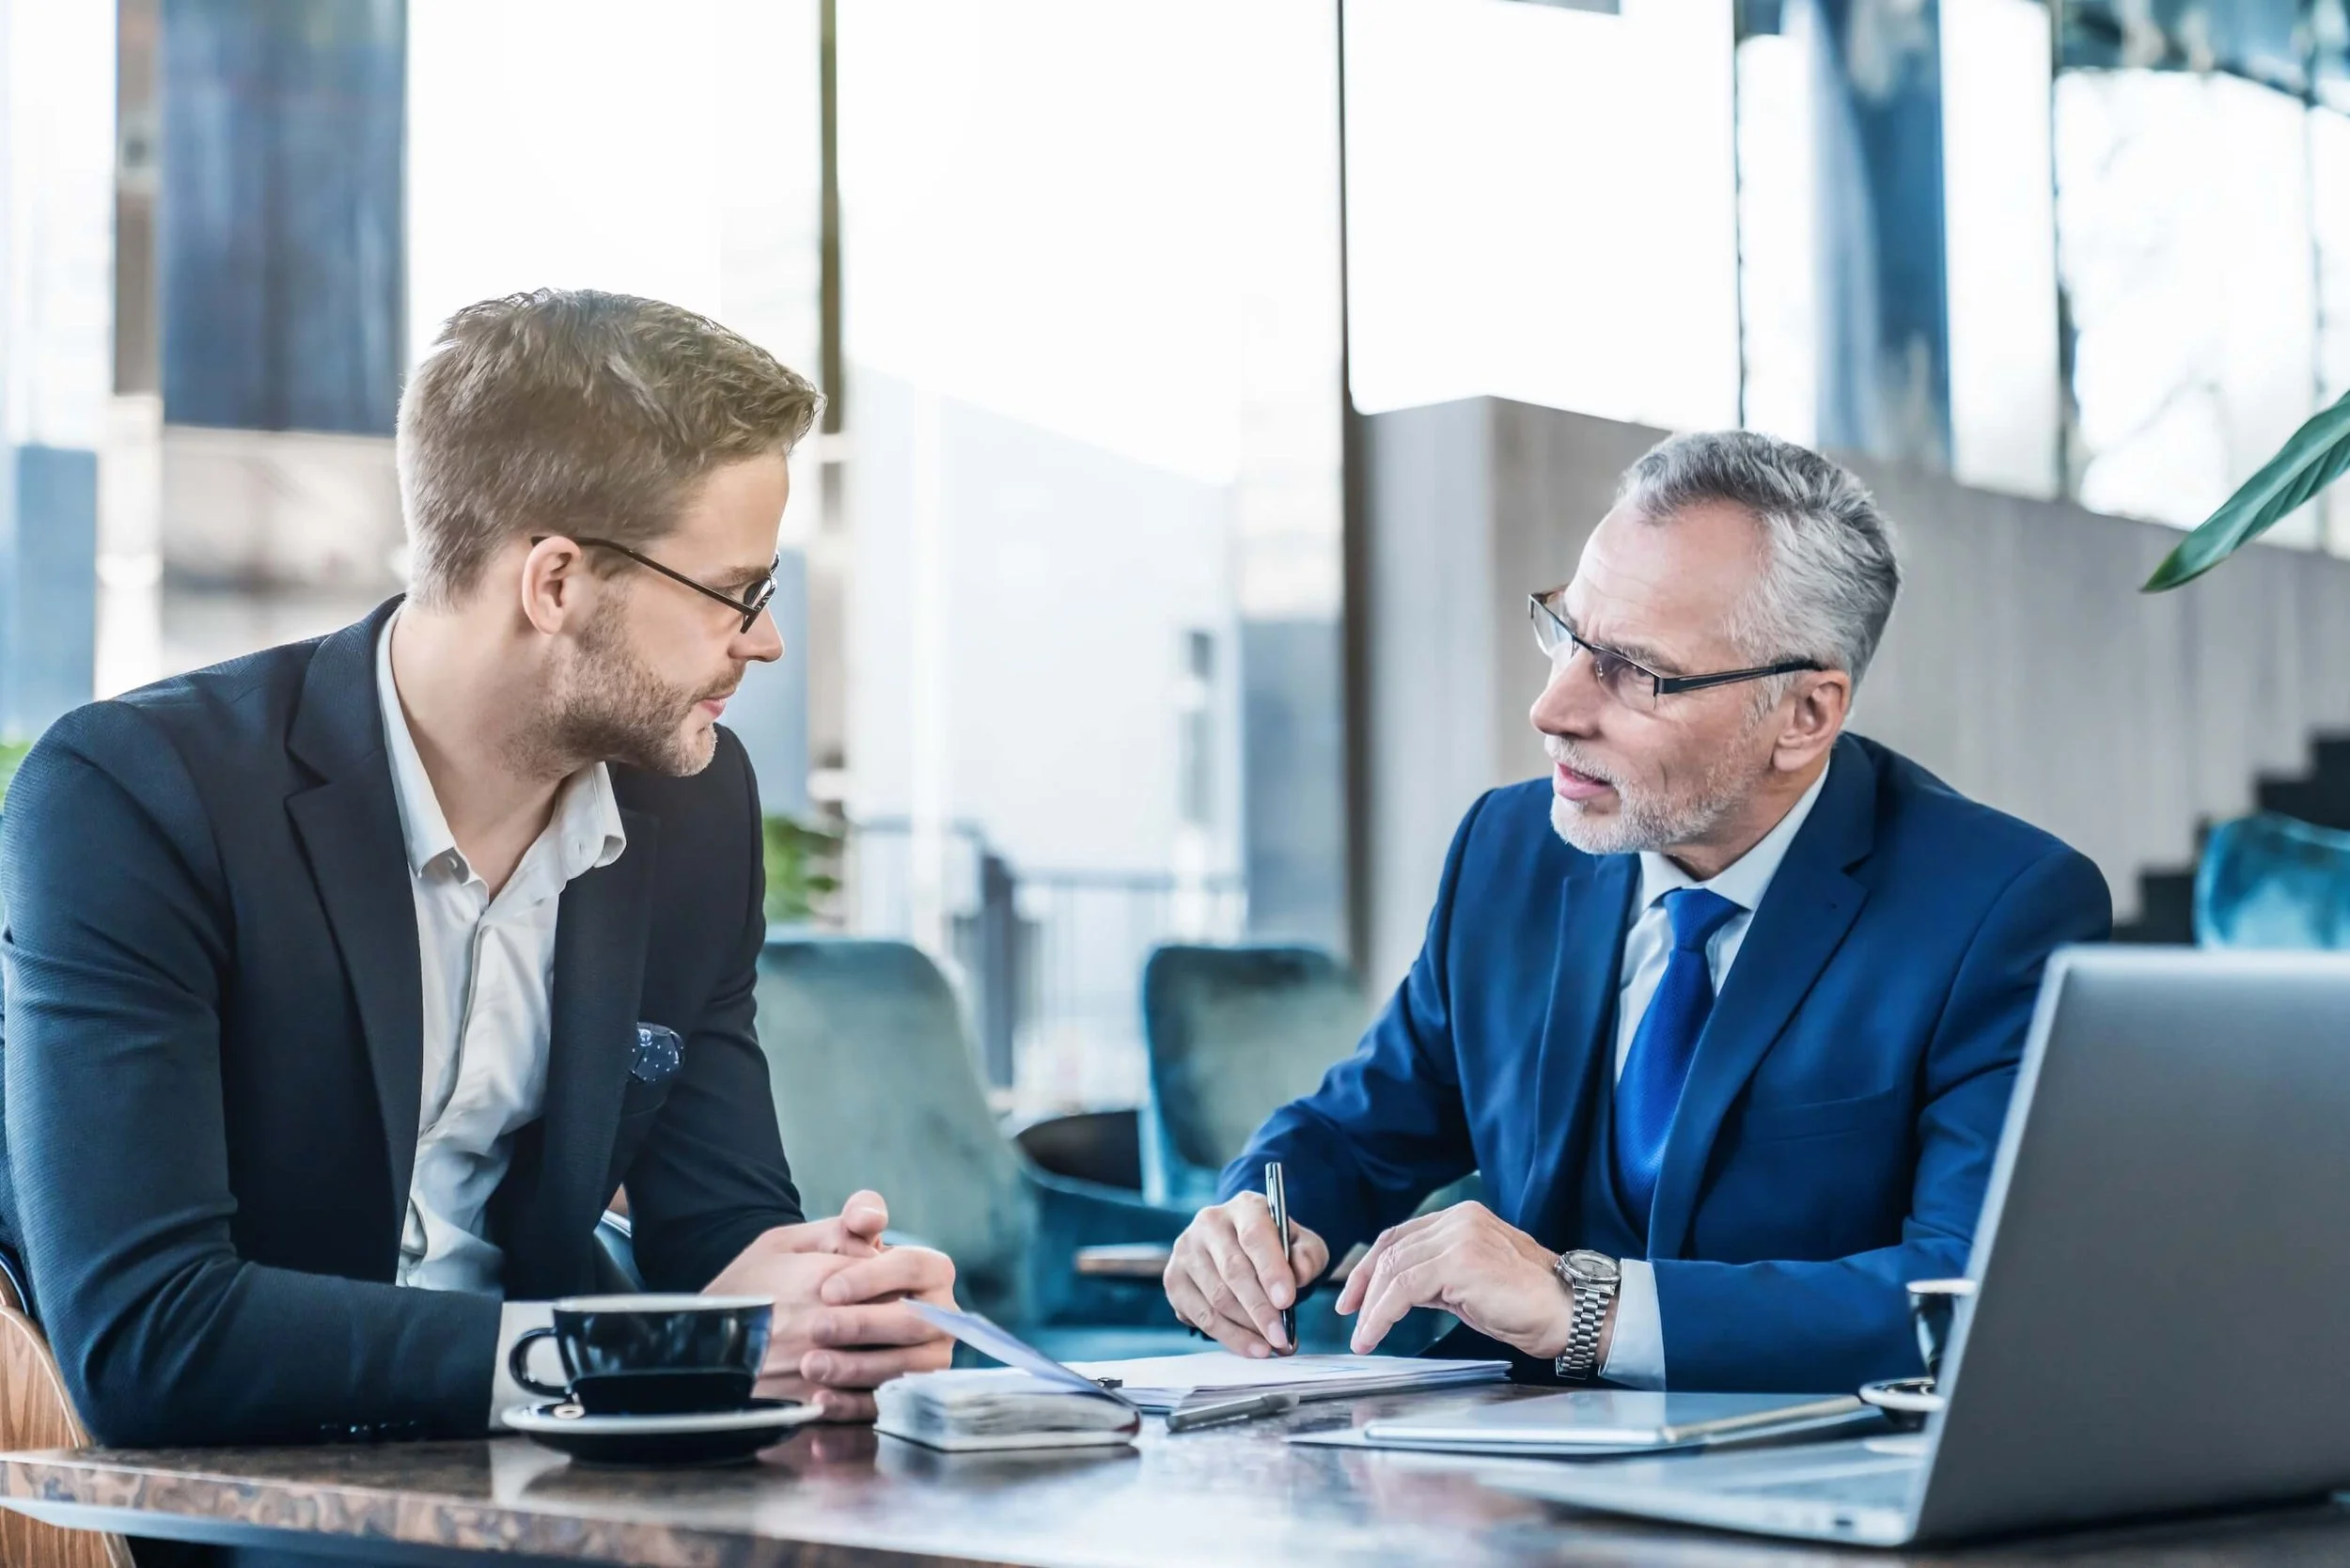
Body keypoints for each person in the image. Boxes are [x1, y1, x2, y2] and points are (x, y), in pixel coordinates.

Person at [0, 290, 954, 1447]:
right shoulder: (135, 797)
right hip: (237, 1480)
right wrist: (607, 1358)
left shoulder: (695, 803)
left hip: (545, 1465)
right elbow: (148, 1336)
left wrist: (828, 1303)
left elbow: (719, 1224)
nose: (764, 639)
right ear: (553, 583)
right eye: (734, 593)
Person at [1163, 431, 2111, 1393]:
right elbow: (1355, 1132)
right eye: (1566, 635)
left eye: (1631, 671)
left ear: (1804, 716)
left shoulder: (2000, 910)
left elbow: (1963, 1294)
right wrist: (1257, 1218)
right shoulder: (1510, 849)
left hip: (1800, 1491)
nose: (1552, 707)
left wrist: (1590, 1309)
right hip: (1496, 1485)